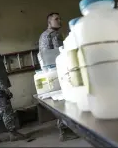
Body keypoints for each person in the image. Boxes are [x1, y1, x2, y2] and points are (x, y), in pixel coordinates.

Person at [38, 13, 78, 142]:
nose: (60, 21)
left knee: (65, 99)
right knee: (61, 101)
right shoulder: (47, 36)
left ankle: (67, 128)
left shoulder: (56, 34)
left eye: (60, 18)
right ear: (49, 22)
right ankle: (64, 131)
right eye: (56, 19)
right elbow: (46, 58)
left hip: (61, 69)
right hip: (55, 72)